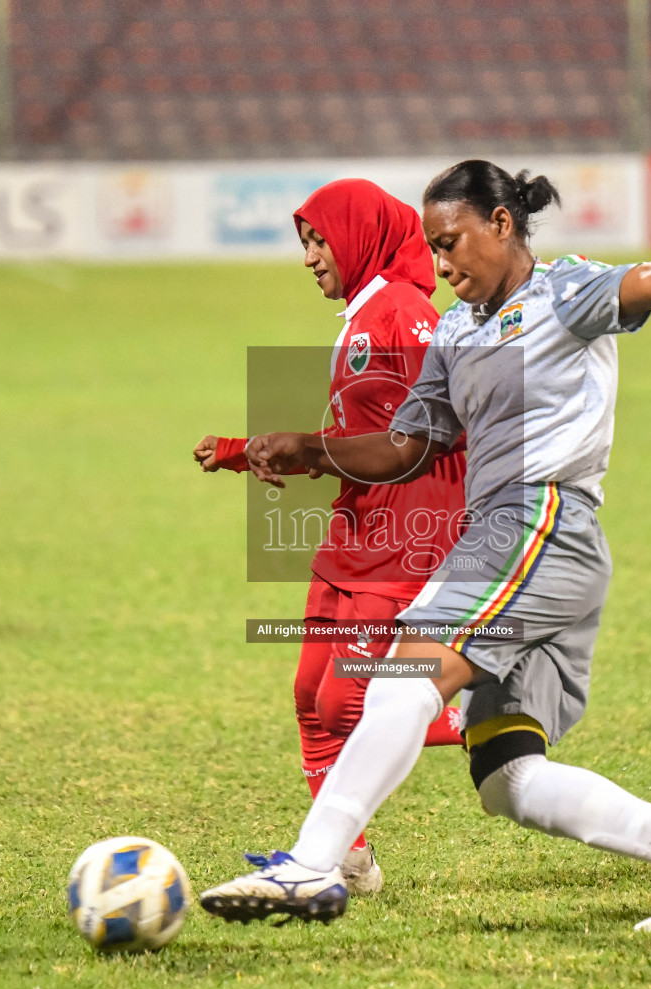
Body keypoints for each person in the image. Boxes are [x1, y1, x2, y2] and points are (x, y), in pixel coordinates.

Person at [199, 155, 651, 932]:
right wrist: (310, 449)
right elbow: (404, 450)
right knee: (505, 776)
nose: (441, 262)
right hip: (527, 545)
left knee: (403, 676)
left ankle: (313, 866)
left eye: (453, 241)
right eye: (431, 247)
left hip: (538, 522)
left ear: (501, 224)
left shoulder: (565, 293)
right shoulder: (457, 331)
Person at [192, 178, 468, 896]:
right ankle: (351, 859)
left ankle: (485, 712)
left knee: (351, 698)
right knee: (312, 694)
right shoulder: (364, 313)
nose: (310, 256)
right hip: (356, 526)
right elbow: (351, 440)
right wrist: (244, 450)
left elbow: (433, 433)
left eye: (319, 240)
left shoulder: (403, 312)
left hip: (405, 532)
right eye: (305, 243)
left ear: (358, 235)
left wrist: (310, 449)